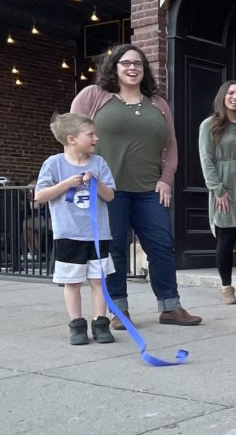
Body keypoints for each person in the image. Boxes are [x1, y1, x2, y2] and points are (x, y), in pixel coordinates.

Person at [70, 43, 202, 326]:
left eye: (138, 63)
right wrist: (81, 171)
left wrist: (166, 179)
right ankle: (119, 310)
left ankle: (170, 306)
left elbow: (171, 145)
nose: (133, 68)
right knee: (115, 249)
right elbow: (72, 137)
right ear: (114, 67)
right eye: (126, 63)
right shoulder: (94, 96)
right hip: (108, 191)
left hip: (149, 190)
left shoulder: (158, 103)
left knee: (162, 246)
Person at [34, 113, 116, 345]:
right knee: (72, 282)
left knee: (98, 280)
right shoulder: (54, 164)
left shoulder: (99, 163)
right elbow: (40, 195)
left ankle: (100, 324)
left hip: (98, 235)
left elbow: (110, 195)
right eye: (90, 134)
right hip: (69, 234)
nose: (96, 138)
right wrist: (67, 184)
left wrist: (96, 182)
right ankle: (77, 325)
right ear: (71, 139)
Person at [199, 81, 236, 305]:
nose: (235, 98)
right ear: (222, 96)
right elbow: (206, 160)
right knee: (226, 240)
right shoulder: (209, 125)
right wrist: (218, 189)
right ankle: (226, 287)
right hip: (224, 189)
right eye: (231, 93)